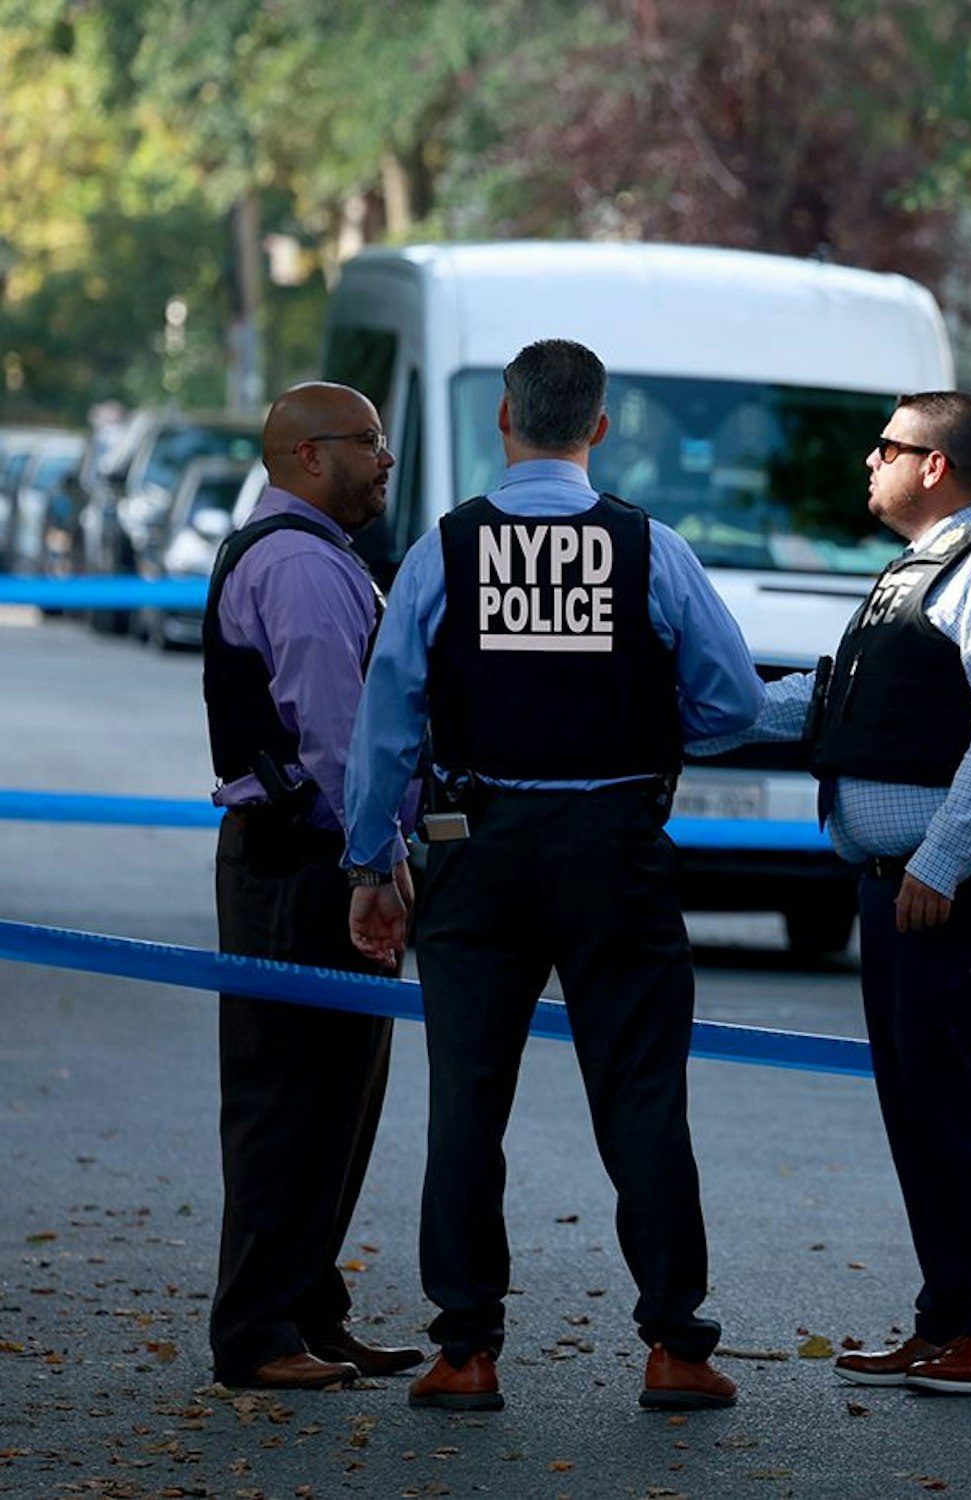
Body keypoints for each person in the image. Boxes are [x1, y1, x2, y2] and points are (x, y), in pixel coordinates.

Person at [342, 338, 761, 1413]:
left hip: (477, 846)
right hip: (617, 847)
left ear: (504, 420)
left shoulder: (443, 552)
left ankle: (466, 1349)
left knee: (465, 1108)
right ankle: (675, 1345)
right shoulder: (650, 549)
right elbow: (734, 705)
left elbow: (388, 720)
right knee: (642, 1102)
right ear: (601, 428)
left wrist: (370, 862)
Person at [693, 391, 971, 1396]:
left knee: (950, 1106)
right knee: (920, 1108)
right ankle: (950, 1320)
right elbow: (839, 705)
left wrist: (940, 860)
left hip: (969, 891)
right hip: (913, 889)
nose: (870, 461)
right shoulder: (922, 571)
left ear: (936, 466)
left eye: (888, 446)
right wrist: (680, 712)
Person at [202, 382, 424, 1391]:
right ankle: (257, 1333)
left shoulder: (311, 554)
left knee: (335, 1099)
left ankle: (305, 1310)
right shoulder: (297, 565)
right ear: (306, 457)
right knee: (288, 1099)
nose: (385, 459)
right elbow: (339, 740)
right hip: (306, 862)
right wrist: (373, 862)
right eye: (368, 443)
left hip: (306, 857)